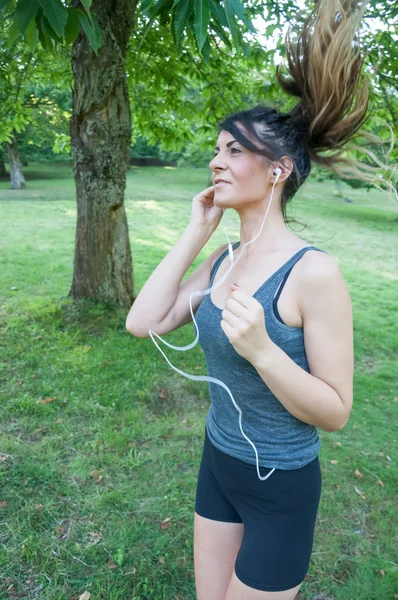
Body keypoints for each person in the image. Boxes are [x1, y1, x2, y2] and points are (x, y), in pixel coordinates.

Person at [126, 1, 391, 598]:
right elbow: (143, 322)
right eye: (217, 149)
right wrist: (197, 230)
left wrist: (264, 350)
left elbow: (336, 411)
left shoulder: (313, 273)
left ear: (279, 171)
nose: (216, 162)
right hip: (218, 464)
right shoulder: (223, 260)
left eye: (234, 151)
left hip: (281, 485)